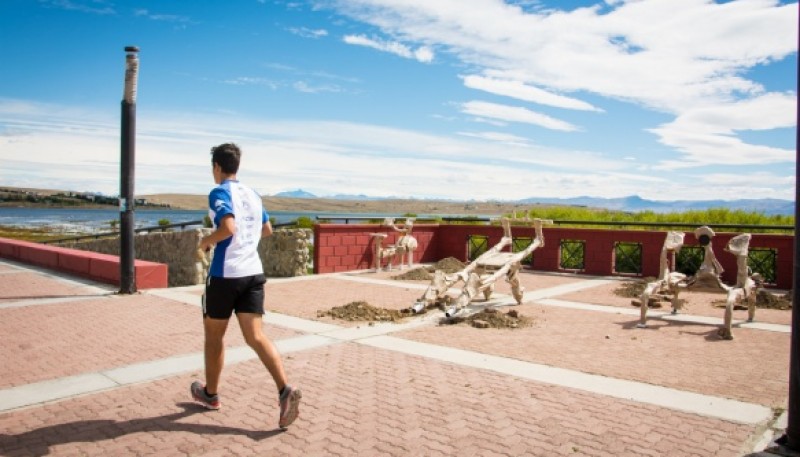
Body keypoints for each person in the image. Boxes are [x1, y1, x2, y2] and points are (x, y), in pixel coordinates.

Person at [191, 142, 301, 430]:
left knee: (214, 336)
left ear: (216, 167)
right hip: (253, 273)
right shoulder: (253, 194)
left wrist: (205, 242)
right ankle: (284, 390)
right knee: (256, 336)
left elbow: (228, 228)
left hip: (226, 275)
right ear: (236, 166)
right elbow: (267, 229)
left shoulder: (218, 191)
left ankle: (211, 395)